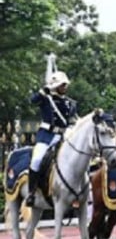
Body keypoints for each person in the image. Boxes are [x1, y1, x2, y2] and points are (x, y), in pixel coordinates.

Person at [26, 68, 78, 206]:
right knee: (37, 159)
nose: (65, 87)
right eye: (62, 85)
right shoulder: (45, 98)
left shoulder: (69, 102)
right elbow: (32, 101)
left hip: (63, 135)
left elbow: (72, 119)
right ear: (56, 86)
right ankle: (31, 193)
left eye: (65, 85)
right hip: (46, 136)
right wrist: (43, 91)